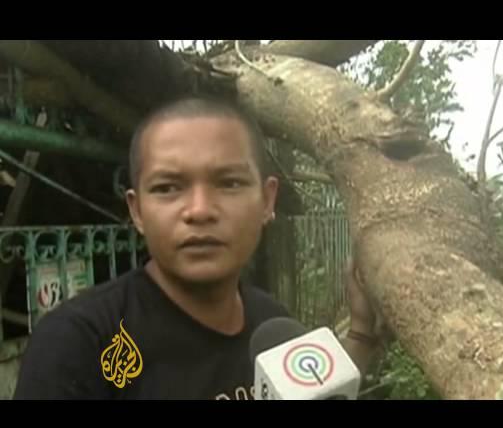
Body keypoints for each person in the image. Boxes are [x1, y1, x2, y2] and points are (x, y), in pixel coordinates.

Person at [13, 96, 381, 400]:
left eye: (229, 183)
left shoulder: (274, 327)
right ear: (137, 210)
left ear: (268, 201)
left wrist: (363, 331)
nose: (200, 210)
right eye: (168, 188)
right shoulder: (77, 345)